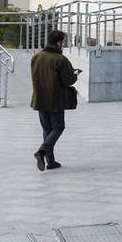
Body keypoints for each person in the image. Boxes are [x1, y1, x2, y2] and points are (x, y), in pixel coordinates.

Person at [30, 30, 80, 171]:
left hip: (39, 98)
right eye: (62, 42)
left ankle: (50, 161)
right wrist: (75, 74)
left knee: (47, 129)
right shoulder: (60, 60)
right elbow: (68, 80)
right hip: (55, 99)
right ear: (59, 42)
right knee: (58, 127)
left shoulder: (36, 57)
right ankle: (41, 151)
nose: (63, 45)